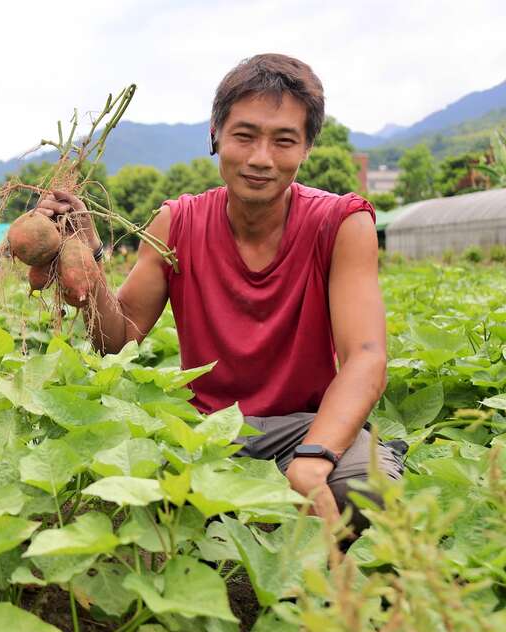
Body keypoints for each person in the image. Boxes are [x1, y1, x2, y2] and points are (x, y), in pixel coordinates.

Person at [36, 53, 402, 532]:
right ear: (215, 133)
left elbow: (367, 358)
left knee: (366, 487)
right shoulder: (177, 222)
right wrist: (83, 261)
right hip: (205, 429)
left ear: (307, 147)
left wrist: (314, 454)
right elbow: (117, 339)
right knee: (118, 485)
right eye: (244, 136)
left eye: (284, 140)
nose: (260, 159)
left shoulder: (341, 223)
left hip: (303, 425)